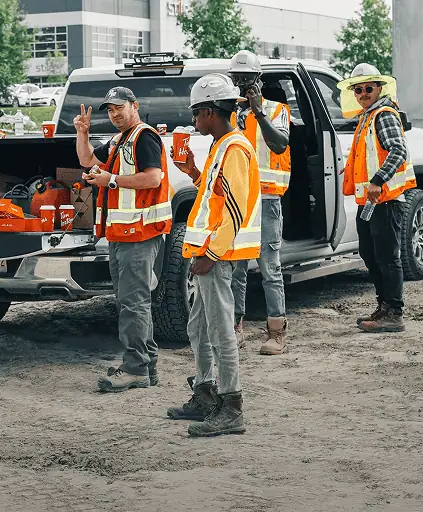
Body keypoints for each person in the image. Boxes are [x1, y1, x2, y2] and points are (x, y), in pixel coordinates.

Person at [166, 73, 260, 437]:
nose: (193, 121)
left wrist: (213, 254)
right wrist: (191, 169)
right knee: (199, 327)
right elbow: (213, 195)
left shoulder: (234, 149)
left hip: (217, 256)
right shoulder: (222, 146)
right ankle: (204, 393)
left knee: (221, 332)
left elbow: (234, 210)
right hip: (205, 253)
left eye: (196, 114)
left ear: (209, 111)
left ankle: (232, 406)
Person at [74, 86, 171, 392]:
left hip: (139, 235)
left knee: (133, 304)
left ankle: (135, 369)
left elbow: (153, 178)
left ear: (134, 105)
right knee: (133, 302)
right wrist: (83, 133)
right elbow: (87, 160)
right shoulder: (119, 140)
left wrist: (110, 180)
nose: (114, 114)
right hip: (123, 235)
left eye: (119, 108)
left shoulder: (144, 137)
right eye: (110, 110)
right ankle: (145, 365)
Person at [337, 63, 415, 333]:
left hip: (386, 199)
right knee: (371, 254)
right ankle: (384, 307)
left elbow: (398, 150)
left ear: (379, 88)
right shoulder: (367, 117)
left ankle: (394, 312)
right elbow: (369, 155)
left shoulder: (382, 114)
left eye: (368, 88)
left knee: (387, 256)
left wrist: (378, 180)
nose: (363, 93)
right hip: (370, 202)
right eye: (358, 89)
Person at [227, 50, 291, 355]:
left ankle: (276, 332)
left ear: (259, 79)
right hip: (239, 201)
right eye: (236, 79)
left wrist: (258, 112)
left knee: (269, 266)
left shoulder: (277, 110)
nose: (241, 85)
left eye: (246, 79)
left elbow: (279, 143)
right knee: (237, 268)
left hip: (266, 199)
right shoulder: (229, 113)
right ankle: (236, 327)